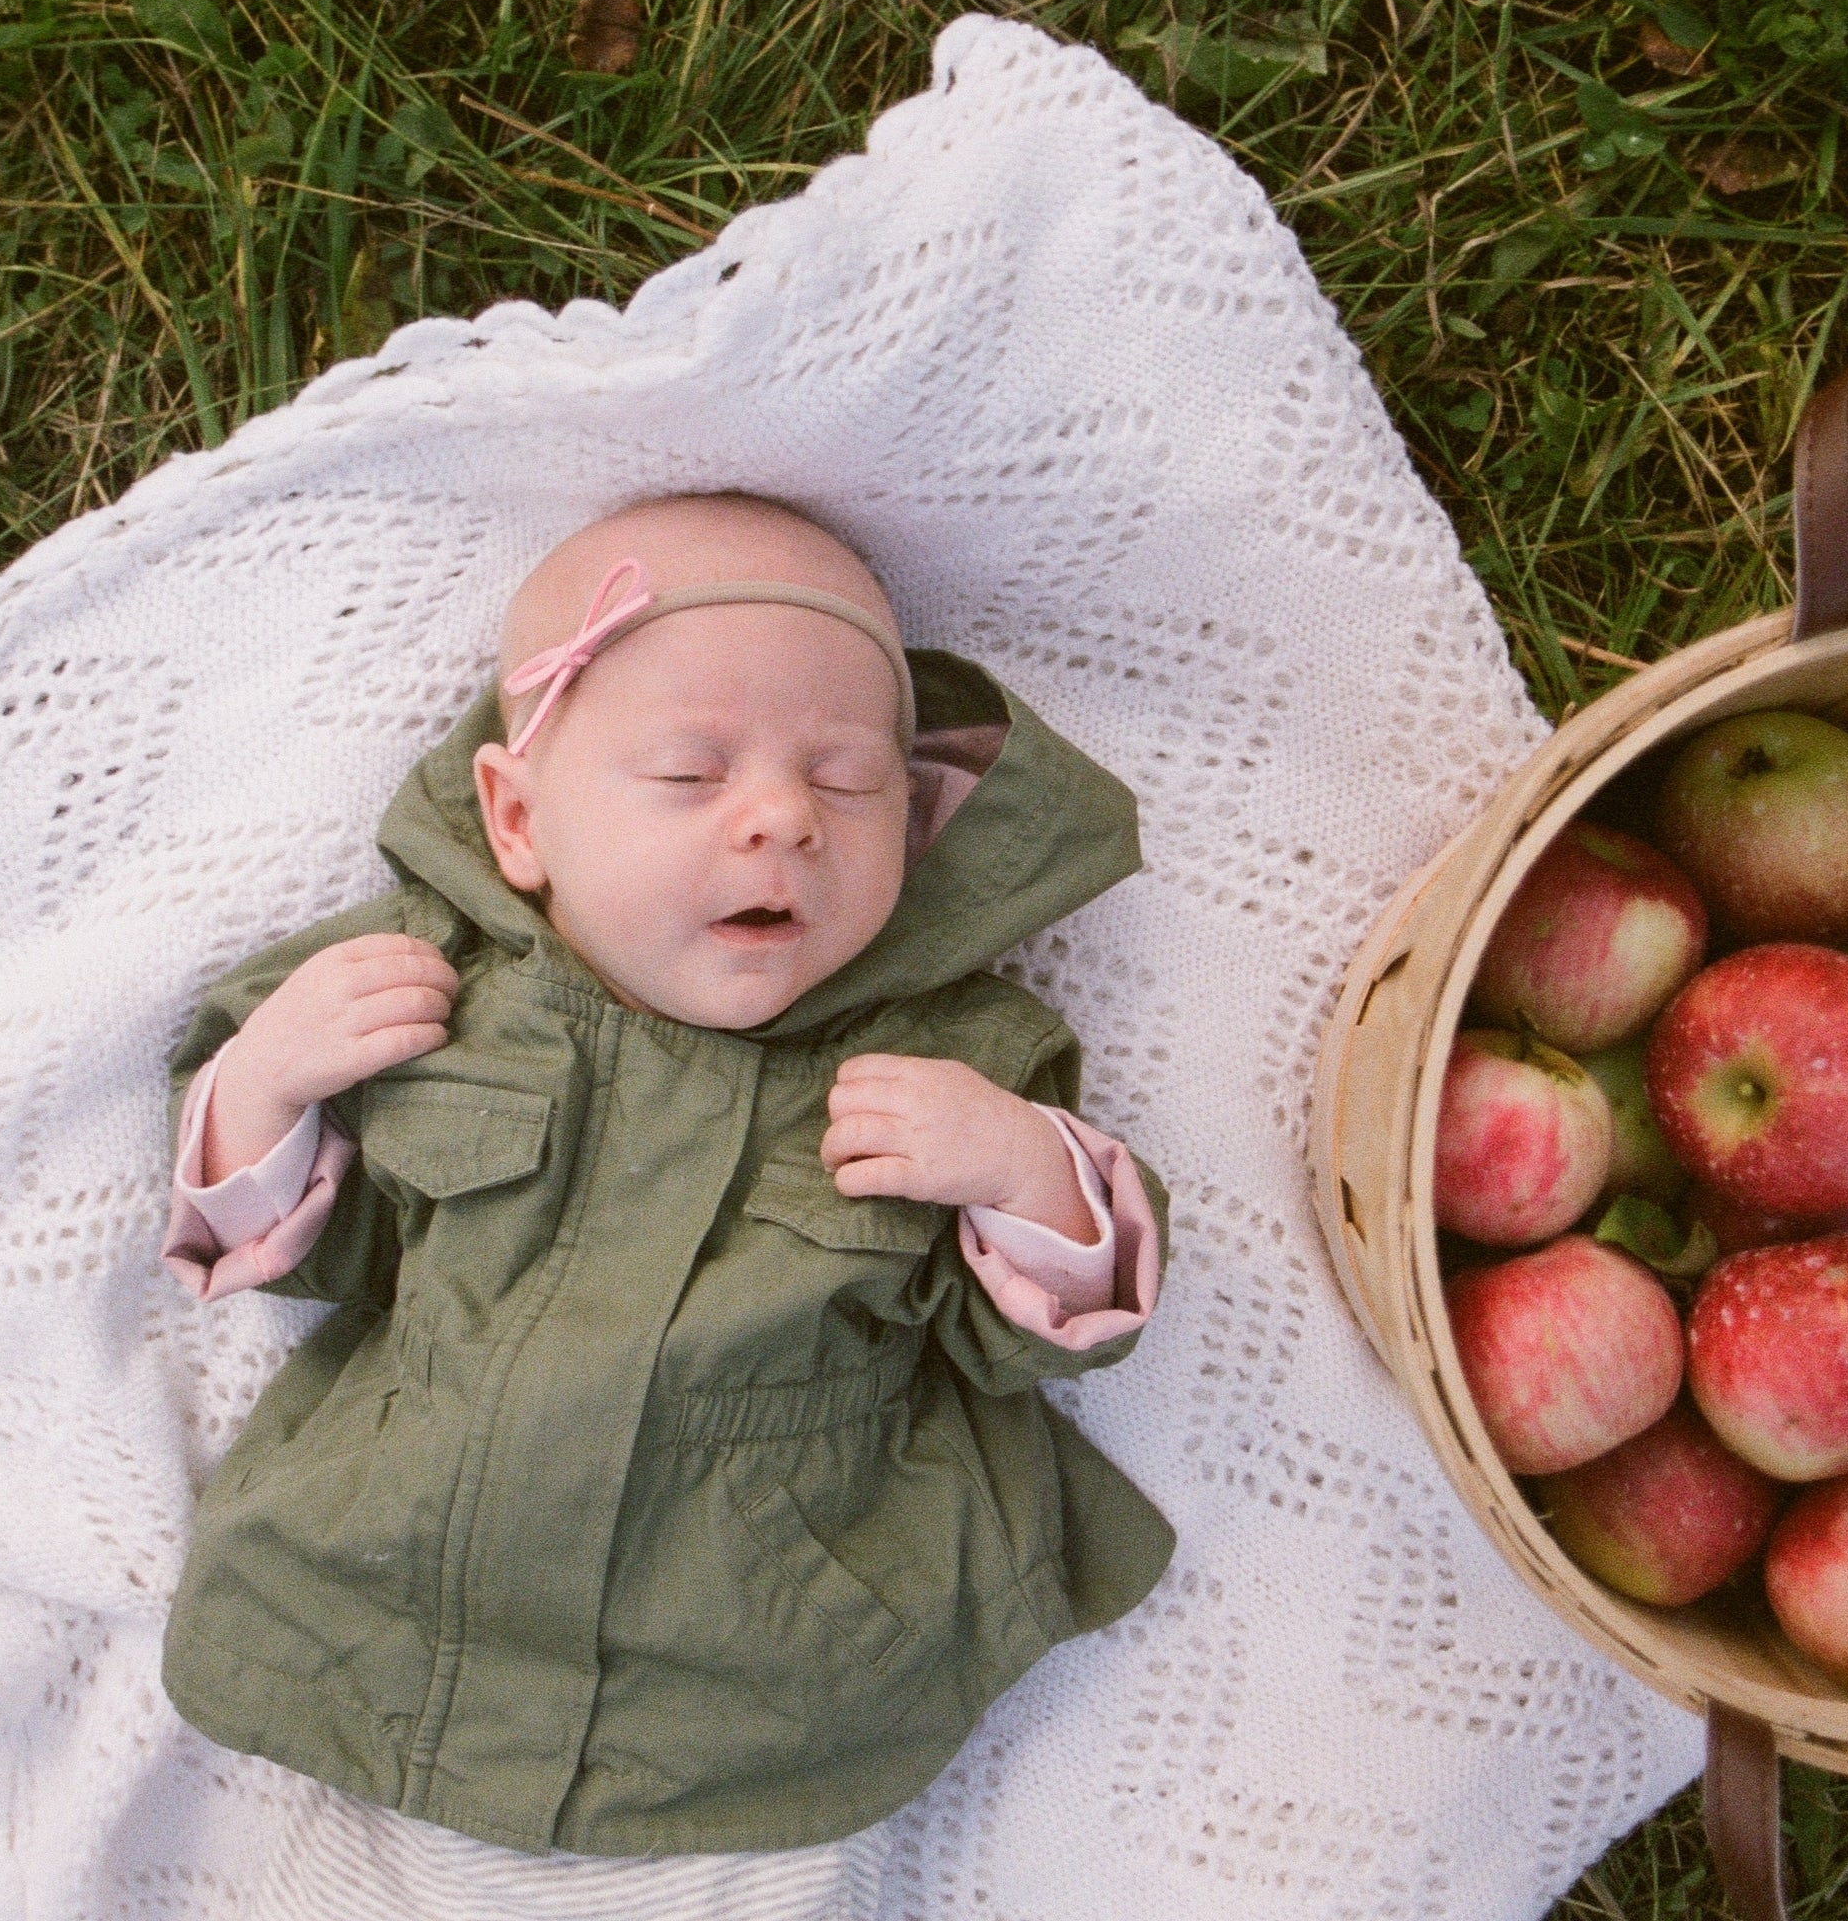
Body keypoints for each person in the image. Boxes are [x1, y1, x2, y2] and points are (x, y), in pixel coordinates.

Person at [156, 492, 1171, 1874]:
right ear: (519, 821)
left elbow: (1036, 1336)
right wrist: (263, 1085)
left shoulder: (957, 1056)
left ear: (918, 820)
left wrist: (1023, 1169)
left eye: (847, 780)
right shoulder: (441, 1001)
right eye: (691, 775)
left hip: (773, 1659)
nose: (779, 820)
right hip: (385, 1590)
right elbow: (315, 1252)